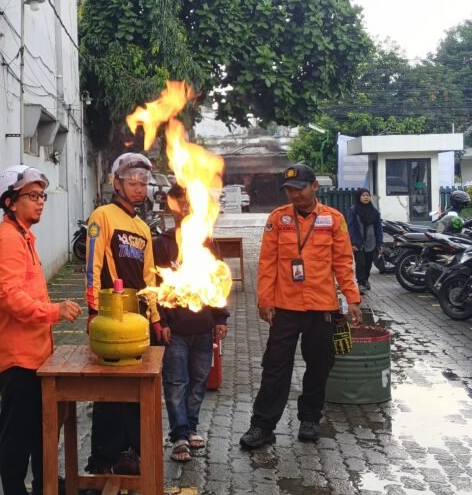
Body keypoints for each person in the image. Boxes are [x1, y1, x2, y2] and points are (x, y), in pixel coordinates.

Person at [0, 165, 81, 495]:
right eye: (32, 197)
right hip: (17, 354)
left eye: (42, 196)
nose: (40, 203)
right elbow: (10, 298)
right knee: (17, 431)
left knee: (41, 425)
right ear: (10, 201)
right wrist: (54, 311)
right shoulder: (6, 241)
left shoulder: (23, 237)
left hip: (35, 353)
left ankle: (43, 484)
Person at [240, 162, 362, 451]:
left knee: (319, 366)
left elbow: (343, 262)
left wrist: (352, 298)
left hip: (322, 308)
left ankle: (309, 419)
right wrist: (264, 300)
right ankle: (262, 426)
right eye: (289, 190)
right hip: (285, 308)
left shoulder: (333, 220)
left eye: (299, 189)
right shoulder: (277, 219)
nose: (294, 195)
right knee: (274, 367)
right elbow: (267, 263)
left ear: (314, 187)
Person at [85, 152, 162, 474]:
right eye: (132, 182)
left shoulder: (143, 227)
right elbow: (92, 266)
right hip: (111, 316)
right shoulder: (102, 216)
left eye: (143, 183)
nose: (139, 189)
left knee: (136, 390)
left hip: (139, 319)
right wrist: (92, 310)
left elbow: (150, 276)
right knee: (109, 391)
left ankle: (131, 452)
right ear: (116, 183)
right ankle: (102, 458)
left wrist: (155, 318)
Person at [153, 184, 229, 462]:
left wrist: (220, 317)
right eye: (179, 203)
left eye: (189, 203)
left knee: (198, 381)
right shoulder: (161, 244)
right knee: (175, 383)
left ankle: (192, 426)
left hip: (204, 329)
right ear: (170, 207)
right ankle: (179, 436)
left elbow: (219, 282)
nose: (184, 209)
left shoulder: (207, 242)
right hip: (176, 330)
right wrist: (161, 321)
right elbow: (153, 287)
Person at [346, 188, 384, 293]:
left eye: (367, 195)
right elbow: (351, 227)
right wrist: (352, 242)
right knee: (360, 263)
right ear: (359, 197)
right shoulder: (353, 210)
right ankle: (361, 282)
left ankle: (366, 279)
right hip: (358, 242)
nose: (366, 197)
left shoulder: (374, 211)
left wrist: (380, 243)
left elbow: (378, 228)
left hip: (371, 242)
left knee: (368, 263)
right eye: (363, 195)